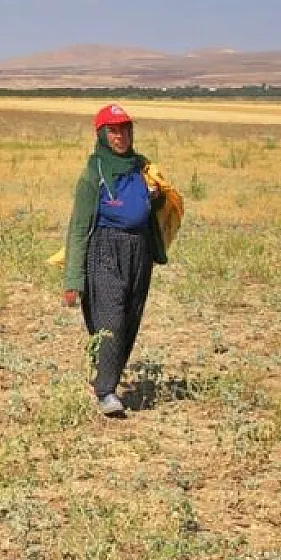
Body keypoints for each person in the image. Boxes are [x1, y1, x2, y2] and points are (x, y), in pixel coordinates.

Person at [62, 103, 167, 417]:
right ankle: (106, 390)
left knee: (130, 319)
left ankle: (108, 377)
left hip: (139, 251)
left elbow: (155, 206)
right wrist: (73, 281)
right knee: (111, 320)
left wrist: (157, 195)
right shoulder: (93, 174)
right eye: (114, 130)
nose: (120, 136)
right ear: (102, 135)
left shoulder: (143, 167)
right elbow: (79, 227)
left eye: (125, 129)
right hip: (105, 250)